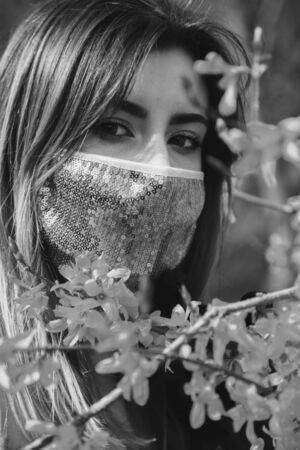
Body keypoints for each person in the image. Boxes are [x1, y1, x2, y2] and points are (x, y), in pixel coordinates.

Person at [0, 0, 250, 448]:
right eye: (115, 127)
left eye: (184, 139)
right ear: (31, 144)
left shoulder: (221, 388)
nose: (157, 170)